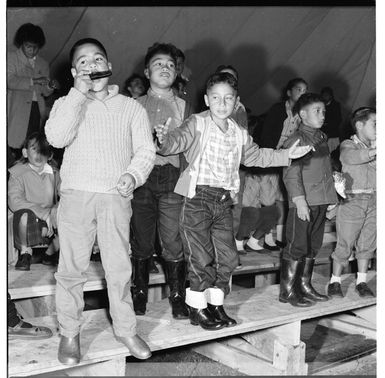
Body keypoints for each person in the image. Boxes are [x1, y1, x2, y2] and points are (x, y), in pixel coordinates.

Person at [155, 72, 312, 330]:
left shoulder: (239, 132)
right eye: (216, 97)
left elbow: (256, 156)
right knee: (200, 258)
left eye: (228, 98)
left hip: (223, 201)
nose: (222, 103)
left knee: (228, 258)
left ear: (236, 101)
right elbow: (175, 142)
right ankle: (197, 308)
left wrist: (286, 155)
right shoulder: (197, 123)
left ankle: (215, 304)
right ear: (207, 100)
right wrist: (163, 140)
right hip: (197, 199)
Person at [45, 38, 155, 365]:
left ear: (109, 64)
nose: (92, 65)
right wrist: (77, 94)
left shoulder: (131, 107)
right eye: (83, 61)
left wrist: (133, 175)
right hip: (77, 196)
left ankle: (125, 328)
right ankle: (69, 332)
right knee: (71, 270)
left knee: (119, 267)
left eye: (98, 58)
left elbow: (145, 151)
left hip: (115, 197)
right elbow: (56, 138)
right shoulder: (68, 102)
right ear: (74, 71)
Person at [130, 42, 191, 319]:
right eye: (158, 64)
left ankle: (178, 296)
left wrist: (188, 182)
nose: (165, 68)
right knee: (142, 238)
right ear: (146, 71)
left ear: (176, 72)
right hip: (142, 177)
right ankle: (139, 293)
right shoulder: (134, 105)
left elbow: (191, 147)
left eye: (169, 65)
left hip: (172, 178)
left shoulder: (183, 106)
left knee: (172, 238)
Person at [279, 93, 338, 307]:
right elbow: (290, 173)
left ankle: (304, 286)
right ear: (303, 115)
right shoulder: (295, 140)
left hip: (320, 200)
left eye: (324, 111)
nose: (322, 115)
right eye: (317, 111)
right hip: (303, 203)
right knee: (297, 245)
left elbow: (326, 170)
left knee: (313, 245)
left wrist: (332, 199)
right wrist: (299, 200)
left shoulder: (321, 137)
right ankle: (287, 291)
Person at [328, 107, 376, 298]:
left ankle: (362, 281)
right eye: (375, 124)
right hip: (353, 200)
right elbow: (350, 158)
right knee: (345, 242)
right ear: (359, 125)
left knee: (368, 242)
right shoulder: (349, 144)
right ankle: (335, 281)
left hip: (375, 199)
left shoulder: (374, 145)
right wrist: (374, 151)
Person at [256, 78, 308, 250]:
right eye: (299, 89)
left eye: (305, 90)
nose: (302, 93)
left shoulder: (303, 114)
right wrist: (269, 156)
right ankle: (266, 237)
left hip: (290, 161)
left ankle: (280, 236)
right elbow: (267, 135)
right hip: (272, 158)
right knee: (268, 199)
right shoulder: (278, 109)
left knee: (283, 199)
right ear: (289, 92)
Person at [8, 132, 60, 271]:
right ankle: (26, 254)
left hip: (50, 219)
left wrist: (55, 210)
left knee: (71, 217)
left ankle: (50, 253)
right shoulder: (17, 173)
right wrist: (43, 213)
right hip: (30, 218)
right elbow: (15, 201)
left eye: (43, 150)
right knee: (23, 215)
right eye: (34, 149)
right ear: (25, 152)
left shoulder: (55, 173)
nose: (39, 154)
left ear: (50, 155)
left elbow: (66, 195)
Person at [7, 23, 60, 157]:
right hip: (16, 108)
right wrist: (34, 81)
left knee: (32, 145)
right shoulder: (11, 58)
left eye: (35, 47)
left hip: (37, 109)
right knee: (15, 143)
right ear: (21, 43)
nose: (31, 50)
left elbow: (45, 92)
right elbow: (9, 81)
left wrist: (50, 86)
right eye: (28, 46)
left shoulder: (43, 63)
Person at [320, 86, 342, 153]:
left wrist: (327, 128)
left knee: (332, 153)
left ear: (331, 96)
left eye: (327, 95)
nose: (325, 96)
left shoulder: (336, 105)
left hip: (332, 135)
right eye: (323, 95)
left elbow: (338, 120)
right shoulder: (319, 104)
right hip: (320, 133)